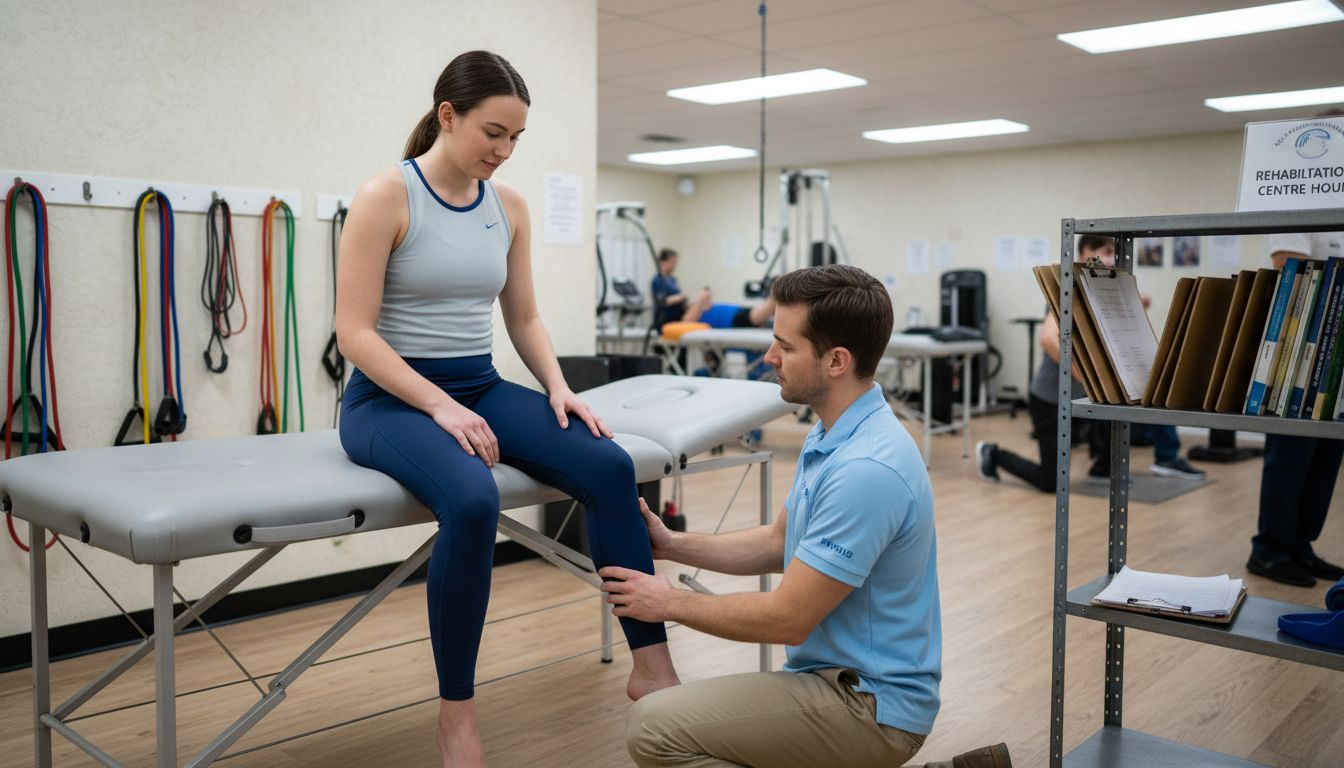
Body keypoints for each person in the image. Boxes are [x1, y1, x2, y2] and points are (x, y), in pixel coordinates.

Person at [334, 51, 679, 768]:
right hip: (388, 402)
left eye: (516, 137)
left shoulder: (508, 206)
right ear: (447, 115)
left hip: (479, 385)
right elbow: (354, 334)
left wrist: (557, 385)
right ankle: (456, 714)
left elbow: (522, 318)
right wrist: (437, 407)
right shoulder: (384, 197)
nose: (504, 150)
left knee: (610, 465)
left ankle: (652, 664)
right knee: (470, 499)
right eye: (493, 132)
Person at [602, 264, 1010, 768]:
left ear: (836, 360)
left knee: (655, 728)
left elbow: (788, 618)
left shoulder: (867, 467)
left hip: (869, 705)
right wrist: (671, 544)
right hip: (831, 680)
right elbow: (780, 541)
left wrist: (668, 603)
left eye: (786, 347)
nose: (769, 357)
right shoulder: (833, 431)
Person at [976, 235, 1205, 490]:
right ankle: (992, 453)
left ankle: (1108, 466)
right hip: (1051, 399)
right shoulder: (1066, 291)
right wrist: (1086, 378)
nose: (1110, 259)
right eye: (1104, 252)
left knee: (1141, 398)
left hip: (1086, 398)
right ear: (1086, 252)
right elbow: (1049, 340)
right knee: (1050, 481)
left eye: (1112, 253)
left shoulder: (1103, 291)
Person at [1247, 228, 1344, 587]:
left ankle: (1300, 544)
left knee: (1327, 452)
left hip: (1336, 348)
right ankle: (1270, 550)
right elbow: (1293, 274)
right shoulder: (1300, 204)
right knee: (1291, 454)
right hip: (1299, 352)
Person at [651, 248, 712, 329]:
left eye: (675, 263)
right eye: (672, 262)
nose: (674, 265)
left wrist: (688, 304)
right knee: (702, 295)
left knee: (704, 297)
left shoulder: (673, 280)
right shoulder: (658, 280)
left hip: (679, 317)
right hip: (666, 322)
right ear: (662, 262)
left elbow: (680, 303)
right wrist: (682, 297)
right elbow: (663, 302)